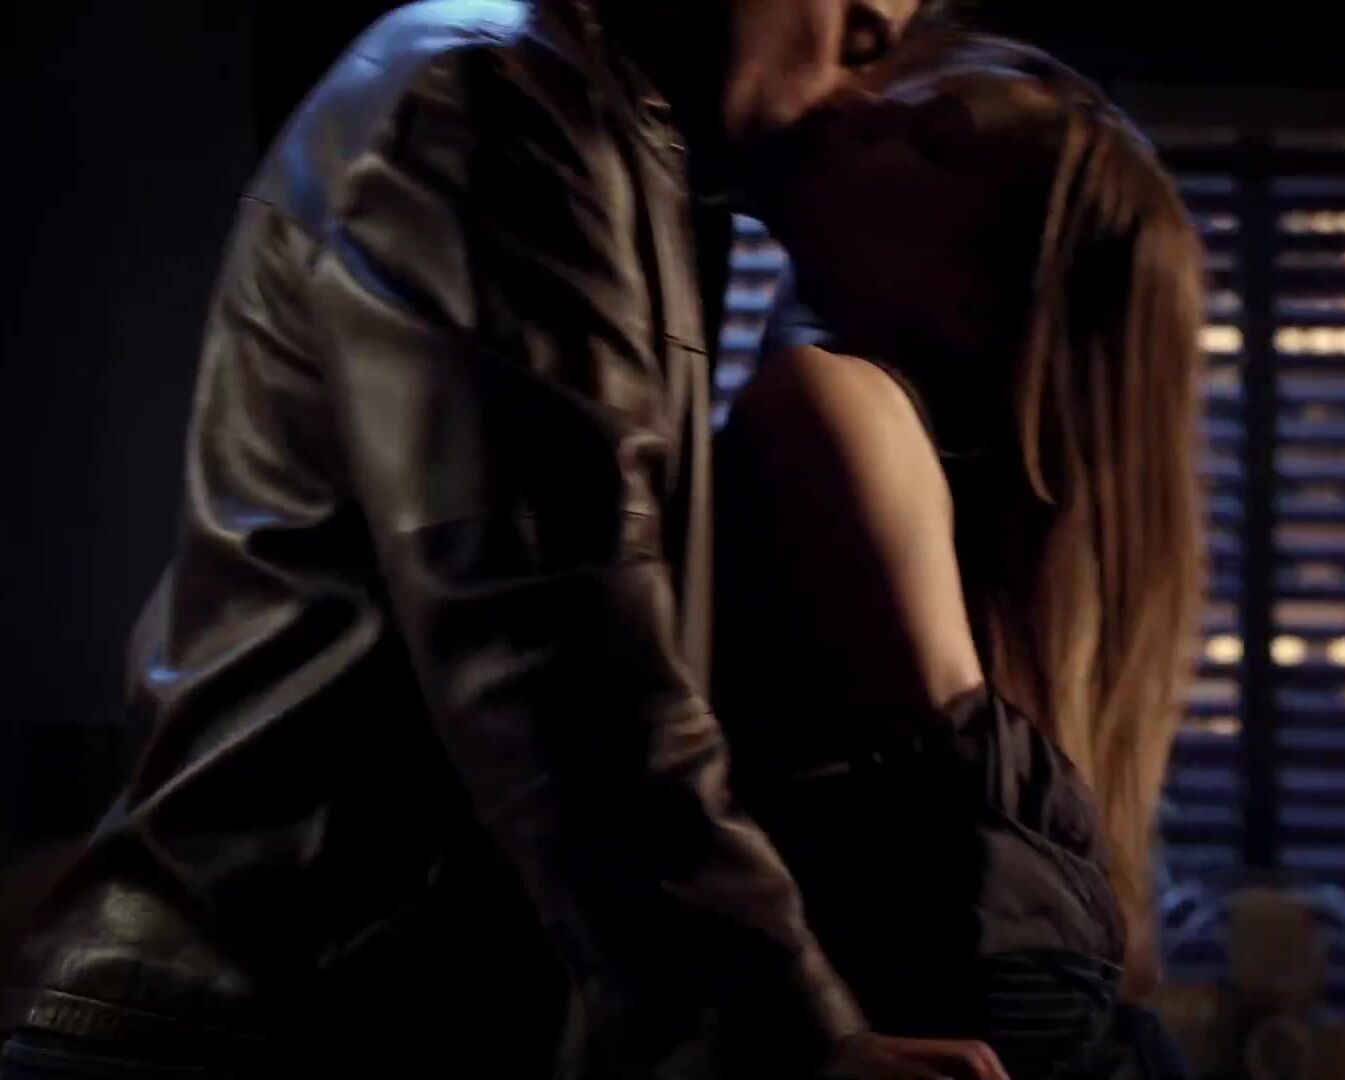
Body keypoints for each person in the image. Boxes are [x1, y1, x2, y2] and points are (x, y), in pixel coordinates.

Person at [0, 2, 1009, 1079]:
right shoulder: (484, 96)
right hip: (254, 1029)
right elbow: (558, 653)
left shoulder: (611, 141)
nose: (861, 71)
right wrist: (798, 1043)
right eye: (859, 23)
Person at [711, 32, 1206, 1079]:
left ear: (976, 303)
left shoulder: (832, 407)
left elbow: (1019, 961)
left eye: (931, 142)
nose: (854, 105)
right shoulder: (961, 542)